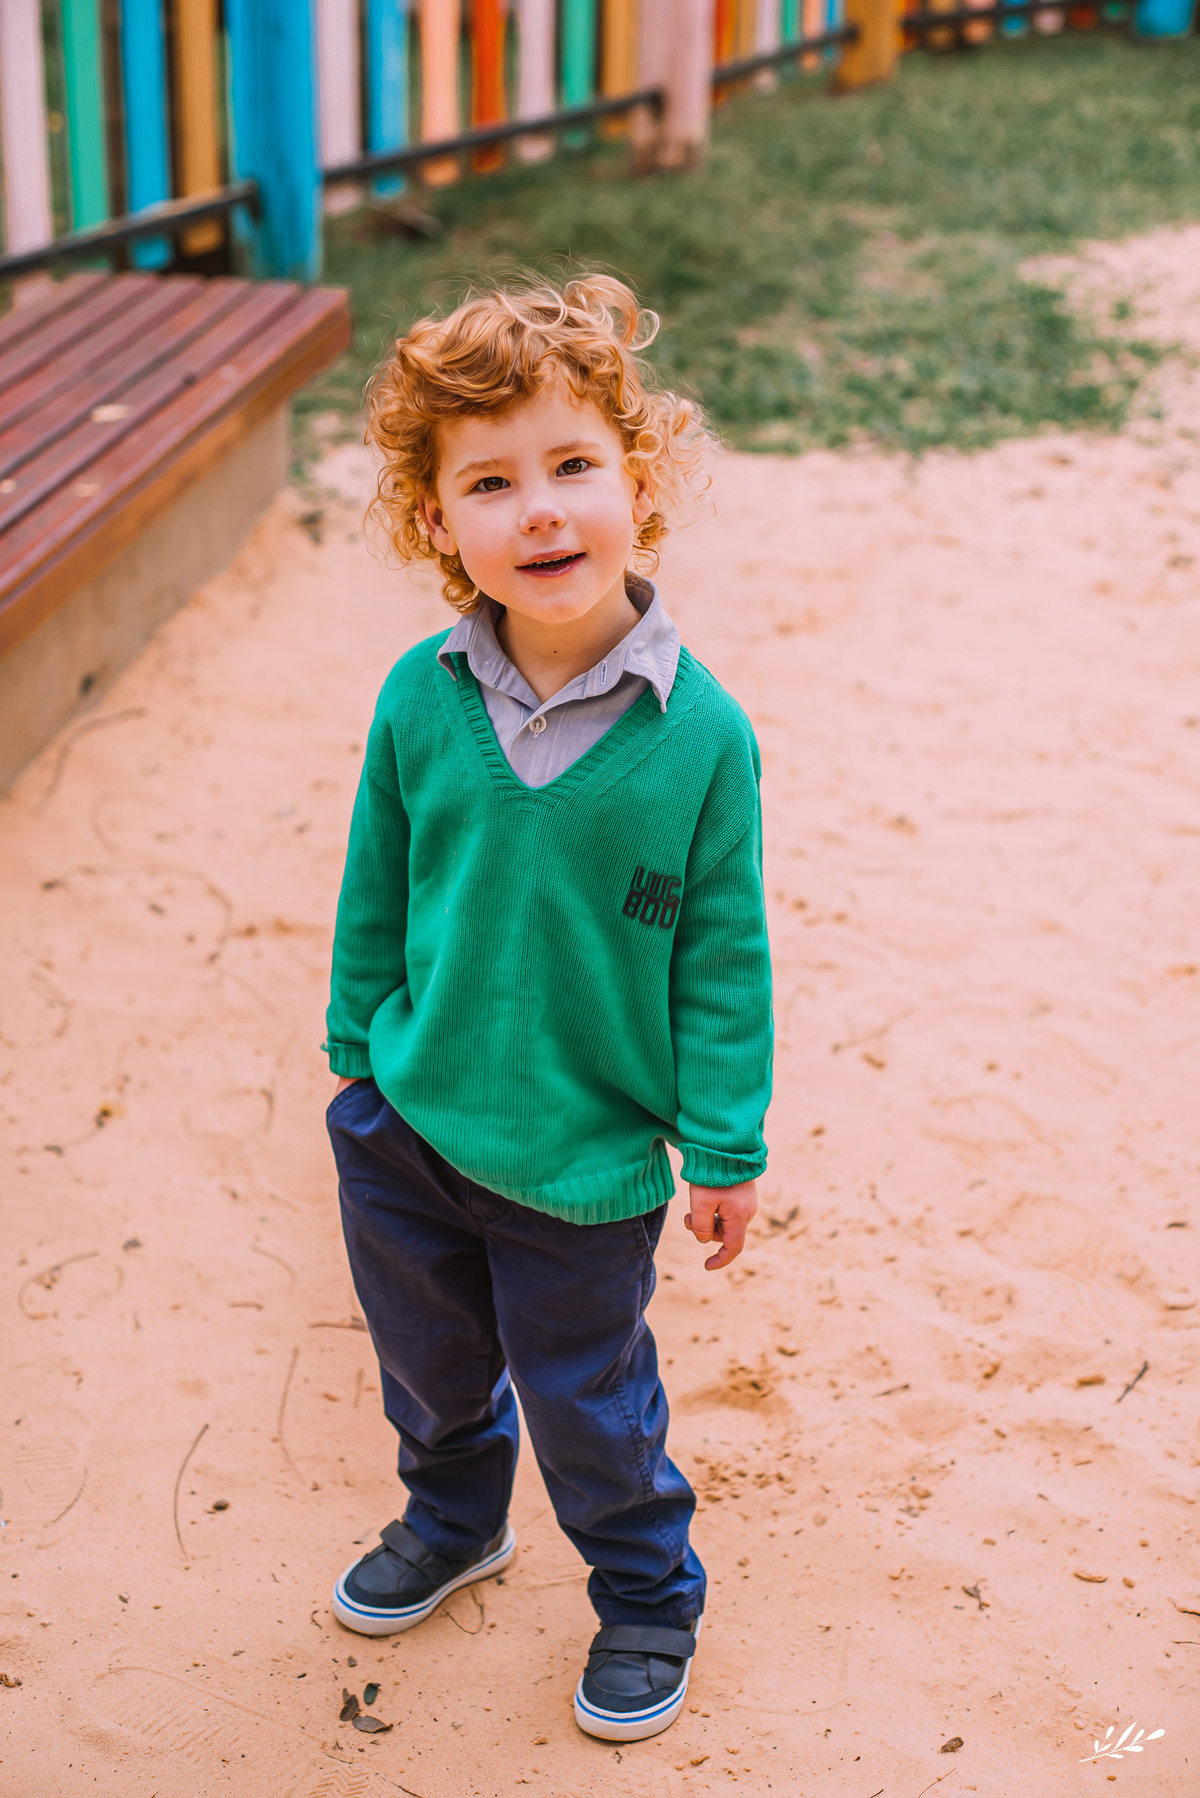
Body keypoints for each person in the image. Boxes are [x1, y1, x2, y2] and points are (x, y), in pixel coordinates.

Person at [323, 274, 772, 1743]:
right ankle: (454, 1521)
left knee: (591, 1402)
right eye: (491, 482)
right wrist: (356, 1069)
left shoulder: (697, 737)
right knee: (430, 1367)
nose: (541, 510)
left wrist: (725, 1141)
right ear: (437, 518)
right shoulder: (419, 694)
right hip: (409, 1128)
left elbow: (719, 952)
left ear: (636, 481)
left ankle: (648, 1593)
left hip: (583, 1165)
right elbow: (376, 887)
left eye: (573, 464)